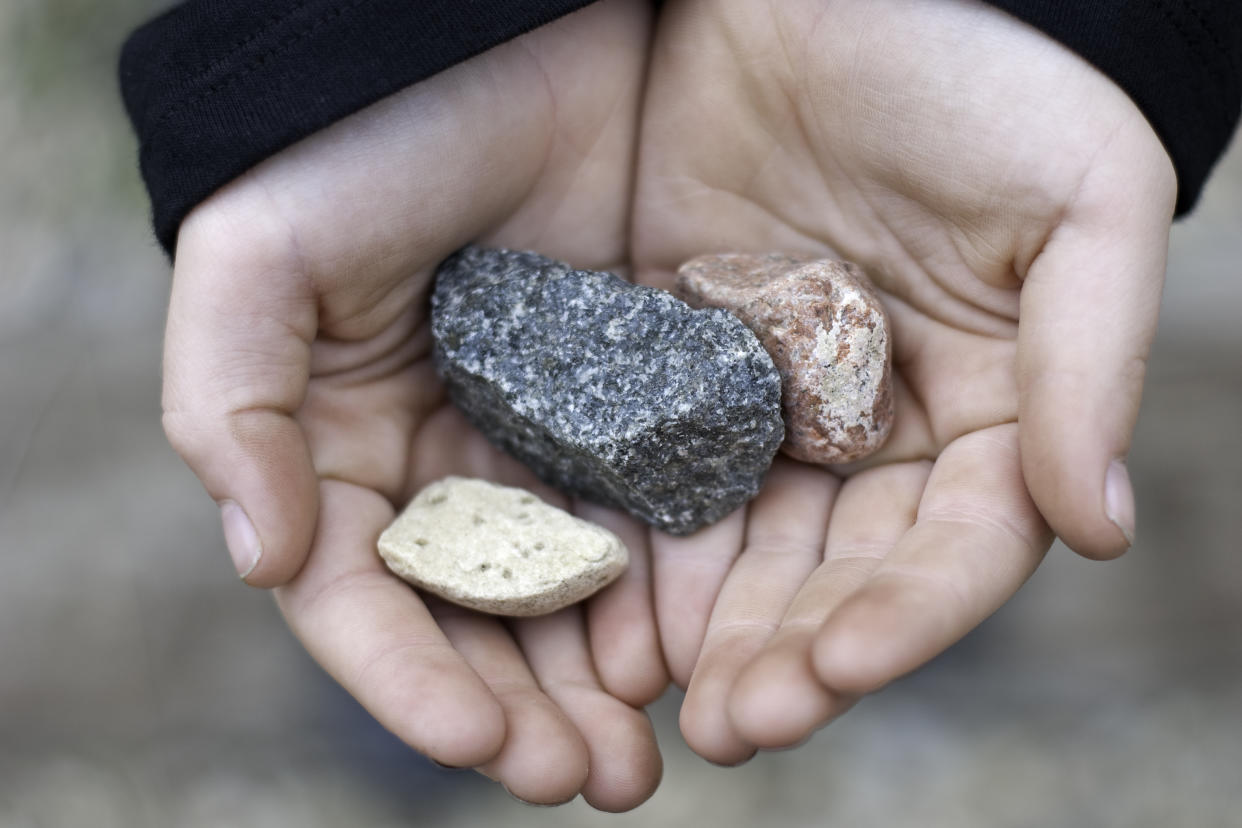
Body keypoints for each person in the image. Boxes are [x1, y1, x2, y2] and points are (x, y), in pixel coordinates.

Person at [120, 0, 1242, 812]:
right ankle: (424, 742)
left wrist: (1085, 22)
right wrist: (336, 50)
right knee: (420, 600)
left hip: (855, 318)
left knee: (935, 493)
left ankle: (888, 659)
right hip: (469, 196)